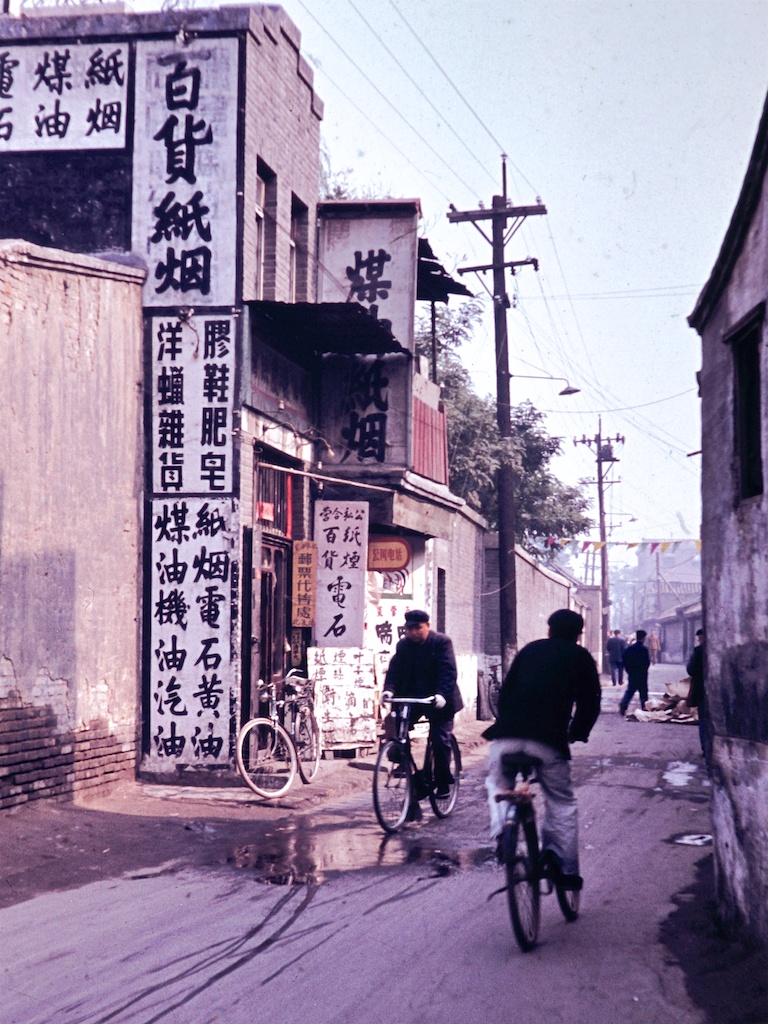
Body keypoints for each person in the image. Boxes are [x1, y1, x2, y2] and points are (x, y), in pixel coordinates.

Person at [483, 608, 601, 890]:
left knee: (497, 785)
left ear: (549, 629)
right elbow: (590, 702)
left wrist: (507, 721)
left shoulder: (530, 650)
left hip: (507, 736)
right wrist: (577, 733)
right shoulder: (581, 657)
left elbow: (506, 692)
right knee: (560, 801)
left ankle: (502, 832)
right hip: (547, 741)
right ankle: (564, 865)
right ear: (578, 635)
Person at [382, 609, 463, 798]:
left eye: (418, 628)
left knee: (439, 740)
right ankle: (409, 768)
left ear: (427, 626)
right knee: (397, 728)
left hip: (438, 699)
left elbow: (448, 671)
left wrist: (442, 694)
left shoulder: (441, 642)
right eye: (409, 629)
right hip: (414, 697)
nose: (413, 633)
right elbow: (394, 670)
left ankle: (442, 781)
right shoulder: (404, 646)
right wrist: (389, 690)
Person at [686, 628, 709, 760]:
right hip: (716, 691)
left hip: (701, 689)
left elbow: (690, 669)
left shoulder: (698, 651)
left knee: (704, 720)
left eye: (700, 638)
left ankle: (706, 749)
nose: (699, 641)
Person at [619, 629, 651, 716]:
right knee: (643, 691)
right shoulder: (644, 649)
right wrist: (644, 670)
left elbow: (625, 660)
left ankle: (623, 705)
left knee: (630, 691)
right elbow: (647, 662)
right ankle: (644, 708)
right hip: (642, 674)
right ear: (644, 638)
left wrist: (628, 670)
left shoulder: (630, 648)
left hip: (632, 673)